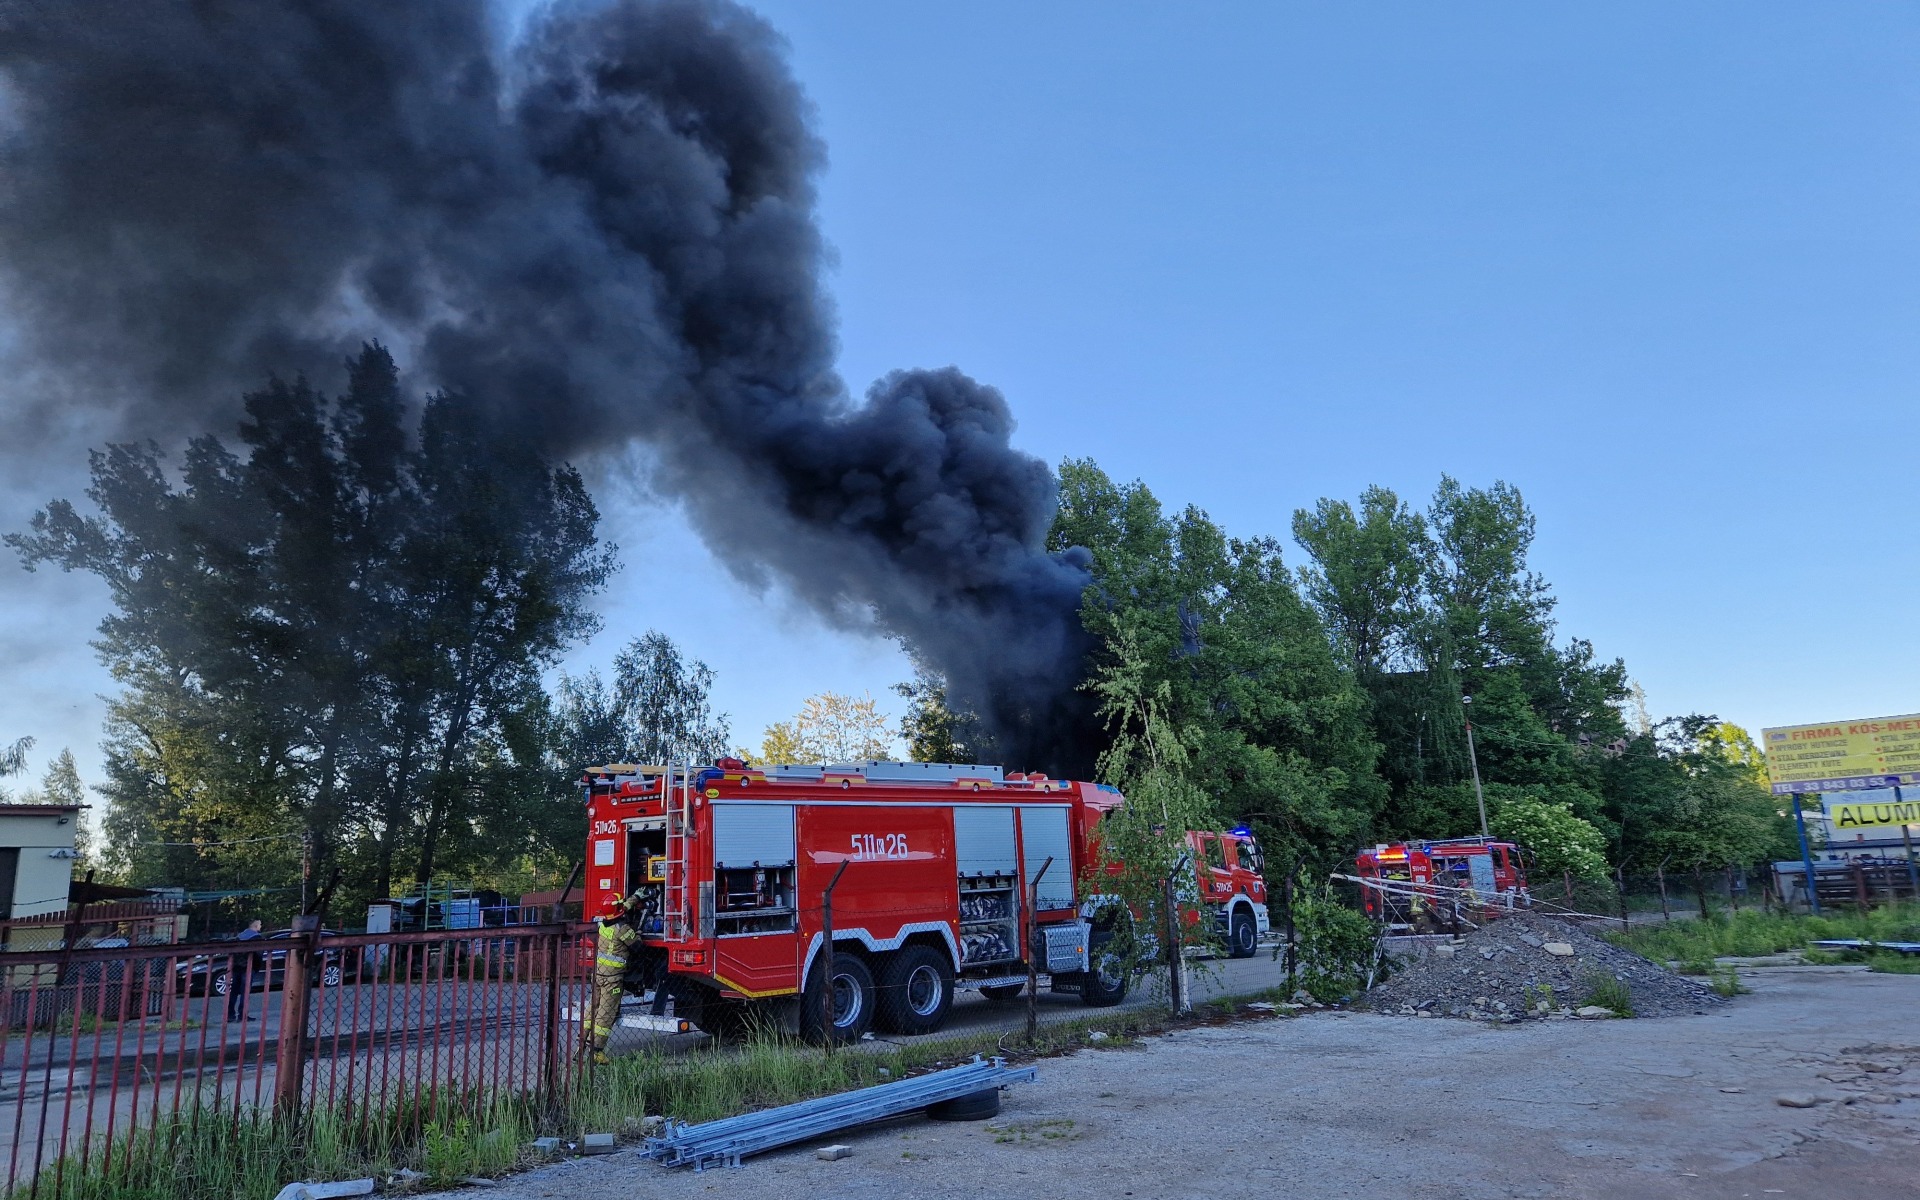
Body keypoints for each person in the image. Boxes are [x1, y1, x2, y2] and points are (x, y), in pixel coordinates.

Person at [584, 896, 639, 1065]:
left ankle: (582, 1042)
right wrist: (637, 933)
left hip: (598, 974)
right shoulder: (622, 929)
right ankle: (596, 1051)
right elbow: (639, 947)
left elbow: (619, 909)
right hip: (612, 979)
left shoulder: (602, 923)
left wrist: (636, 898)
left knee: (592, 1007)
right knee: (606, 1013)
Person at [227, 919, 264, 1022]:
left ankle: (230, 1015)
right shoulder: (256, 938)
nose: (261, 926)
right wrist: (256, 967)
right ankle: (242, 1015)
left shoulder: (239, 936)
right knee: (245, 992)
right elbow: (258, 955)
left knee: (234, 991)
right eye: (260, 925)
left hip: (236, 967)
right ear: (256, 926)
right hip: (248, 967)